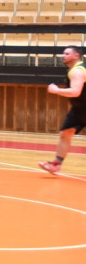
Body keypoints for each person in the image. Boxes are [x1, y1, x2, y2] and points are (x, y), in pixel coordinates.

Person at [39, 45, 86, 175]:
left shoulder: (77, 71)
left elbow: (76, 92)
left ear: (76, 56)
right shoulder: (74, 69)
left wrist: (57, 90)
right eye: (63, 53)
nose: (63, 56)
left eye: (66, 54)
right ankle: (56, 165)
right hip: (79, 109)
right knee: (65, 133)